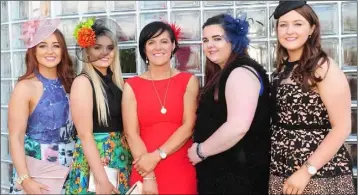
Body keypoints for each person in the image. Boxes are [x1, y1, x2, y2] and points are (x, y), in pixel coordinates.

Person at [269, 1, 355, 194]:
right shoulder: (282, 70)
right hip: (281, 169)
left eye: (298, 24)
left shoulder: (323, 67)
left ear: (312, 28)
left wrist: (307, 170)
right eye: (283, 24)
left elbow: (342, 127)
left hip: (320, 173)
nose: (289, 30)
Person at [187, 13, 271, 194]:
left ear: (234, 40)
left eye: (217, 38)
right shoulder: (224, 71)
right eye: (205, 40)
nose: (210, 45)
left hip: (239, 179)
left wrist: (201, 151)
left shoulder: (240, 72)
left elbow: (238, 126)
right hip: (226, 176)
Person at [123, 21, 199, 194]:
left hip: (179, 167)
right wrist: (148, 176)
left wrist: (157, 156)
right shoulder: (132, 85)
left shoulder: (189, 81)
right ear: (144, 49)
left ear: (173, 46)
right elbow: (131, 133)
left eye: (164, 41)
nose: (158, 47)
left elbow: (188, 126)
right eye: (151, 42)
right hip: (144, 168)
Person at [64, 18, 132, 194]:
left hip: (120, 158)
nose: (105, 53)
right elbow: (85, 135)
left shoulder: (117, 82)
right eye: (97, 47)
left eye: (110, 48)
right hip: (96, 166)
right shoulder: (83, 82)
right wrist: (102, 180)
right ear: (87, 51)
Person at [8, 18, 76, 194]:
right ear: (34, 51)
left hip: (72, 171)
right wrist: (26, 180)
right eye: (43, 45)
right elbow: (15, 137)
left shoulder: (72, 83)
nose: (50, 51)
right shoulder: (25, 87)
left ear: (63, 51)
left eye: (56, 45)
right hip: (37, 174)